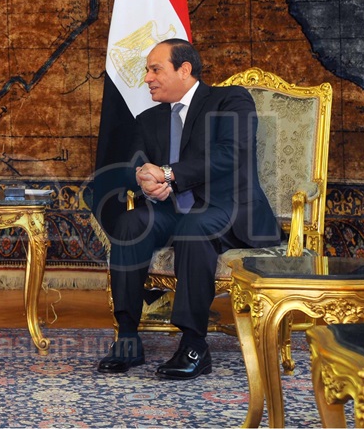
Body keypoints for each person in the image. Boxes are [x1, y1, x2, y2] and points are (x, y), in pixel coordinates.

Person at [95, 39, 281, 380]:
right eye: (147, 71)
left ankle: (194, 344)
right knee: (131, 223)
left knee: (194, 227)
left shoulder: (231, 100)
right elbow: (131, 166)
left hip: (229, 209)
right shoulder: (149, 118)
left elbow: (231, 154)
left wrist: (168, 174)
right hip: (172, 210)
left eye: (155, 69)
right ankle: (127, 337)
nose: (147, 78)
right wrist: (143, 179)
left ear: (184, 69)